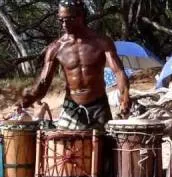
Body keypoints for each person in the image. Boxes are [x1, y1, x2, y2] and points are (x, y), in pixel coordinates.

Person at [16, 0, 130, 131]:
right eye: (60, 20)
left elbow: (119, 72)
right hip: (71, 107)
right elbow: (43, 82)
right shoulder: (56, 47)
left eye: (68, 19)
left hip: (99, 107)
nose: (64, 24)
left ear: (80, 16)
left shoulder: (102, 42)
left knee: (103, 148)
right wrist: (28, 99)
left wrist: (124, 96)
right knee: (63, 148)